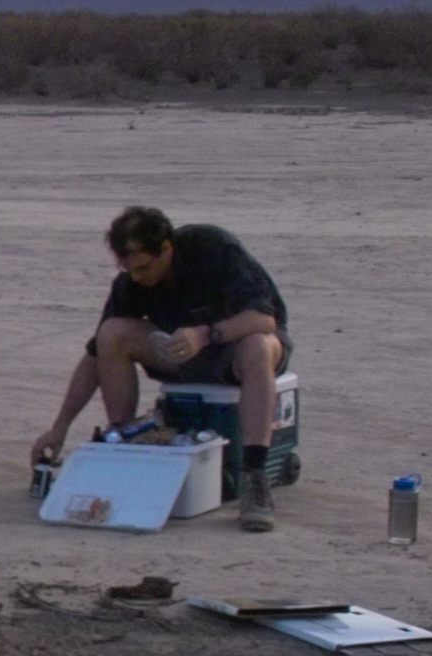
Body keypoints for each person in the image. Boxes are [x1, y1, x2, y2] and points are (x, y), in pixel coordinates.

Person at [30, 207, 289, 532]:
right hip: (180, 353)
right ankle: (125, 446)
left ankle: (254, 476)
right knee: (111, 333)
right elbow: (96, 356)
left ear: (166, 248)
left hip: (238, 347)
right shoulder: (132, 282)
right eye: (129, 270)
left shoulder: (213, 248)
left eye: (143, 268)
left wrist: (204, 335)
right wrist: (60, 427)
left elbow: (263, 319)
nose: (137, 277)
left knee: (257, 346)